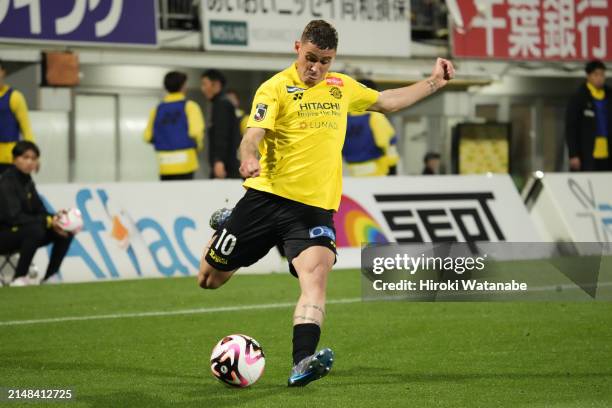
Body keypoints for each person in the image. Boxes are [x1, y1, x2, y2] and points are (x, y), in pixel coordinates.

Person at [197, 20, 455, 387]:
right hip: (266, 199)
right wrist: (249, 156)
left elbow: (387, 102)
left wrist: (434, 82)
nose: (316, 67)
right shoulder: (274, 88)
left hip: (313, 210)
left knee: (315, 280)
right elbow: (252, 136)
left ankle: (302, 362)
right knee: (209, 280)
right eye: (311, 58)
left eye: (325, 61)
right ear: (297, 47)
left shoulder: (341, 87)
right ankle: (225, 226)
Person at [0, 141, 73, 286]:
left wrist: (55, 219)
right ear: (15, 159)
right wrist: (45, 220)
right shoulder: (6, 181)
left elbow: (40, 210)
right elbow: (13, 217)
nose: (30, 162)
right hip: (4, 234)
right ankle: (19, 278)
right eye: (25, 157)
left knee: (64, 229)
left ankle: (50, 276)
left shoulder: (27, 182)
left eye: (33, 158)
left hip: (23, 232)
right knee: (35, 229)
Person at [144, 71, 205, 181]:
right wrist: (198, 147)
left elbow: (147, 137)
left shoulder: (157, 110)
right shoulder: (190, 106)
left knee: (167, 197)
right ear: (183, 86)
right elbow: (196, 132)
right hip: (186, 163)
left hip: (164, 165)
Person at [343, 79, 400, 176]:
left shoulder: (344, 117)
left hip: (348, 171)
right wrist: (392, 169)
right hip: (376, 171)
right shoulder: (375, 116)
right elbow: (386, 143)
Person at [565, 60, 612, 171]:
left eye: (602, 74)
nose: (599, 78)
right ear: (588, 76)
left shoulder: (609, 96)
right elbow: (571, 128)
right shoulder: (579, 98)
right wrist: (573, 154)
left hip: (608, 152)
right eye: (596, 74)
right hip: (586, 153)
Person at [200, 70, 241, 179]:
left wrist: (219, 161)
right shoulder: (221, 103)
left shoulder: (222, 105)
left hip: (226, 167)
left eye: (205, 84)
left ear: (216, 84)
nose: (202, 89)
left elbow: (221, 135)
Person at [0, 59, 35, 175]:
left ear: (3, 72)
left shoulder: (14, 97)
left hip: (9, 158)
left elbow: (26, 129)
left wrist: (32, 155)